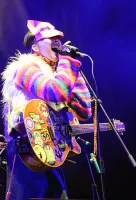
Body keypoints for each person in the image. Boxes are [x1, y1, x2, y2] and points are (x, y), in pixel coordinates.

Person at [1, 20, 92, 200]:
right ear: (35, 46)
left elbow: (84, 110)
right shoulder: (25, 67)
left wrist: (72, 70)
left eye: (59, 38)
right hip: (26, 150)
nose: (58, 41)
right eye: (51, 38)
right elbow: (54, 92)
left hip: (51, 152)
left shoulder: (60, 73)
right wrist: (66, 63)